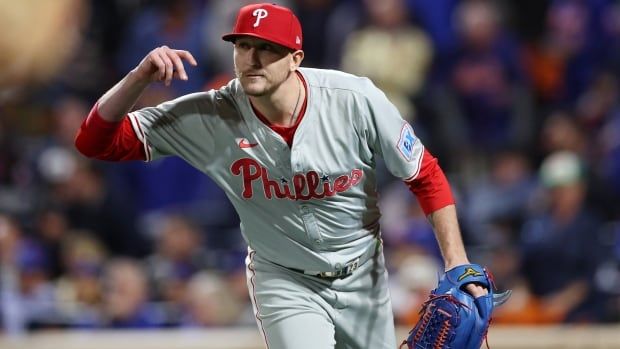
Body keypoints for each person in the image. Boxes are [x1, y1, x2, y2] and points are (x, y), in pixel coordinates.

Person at [75, 3, 487, 348]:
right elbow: (95, 142)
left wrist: (457, 261)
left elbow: (424, 173)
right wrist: (139, 78)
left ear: (296, 59)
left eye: (268, 49)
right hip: (285, 279)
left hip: (364, 273)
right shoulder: (210, 114)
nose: (252, 59)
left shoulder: (353, 99)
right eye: (244, 46)